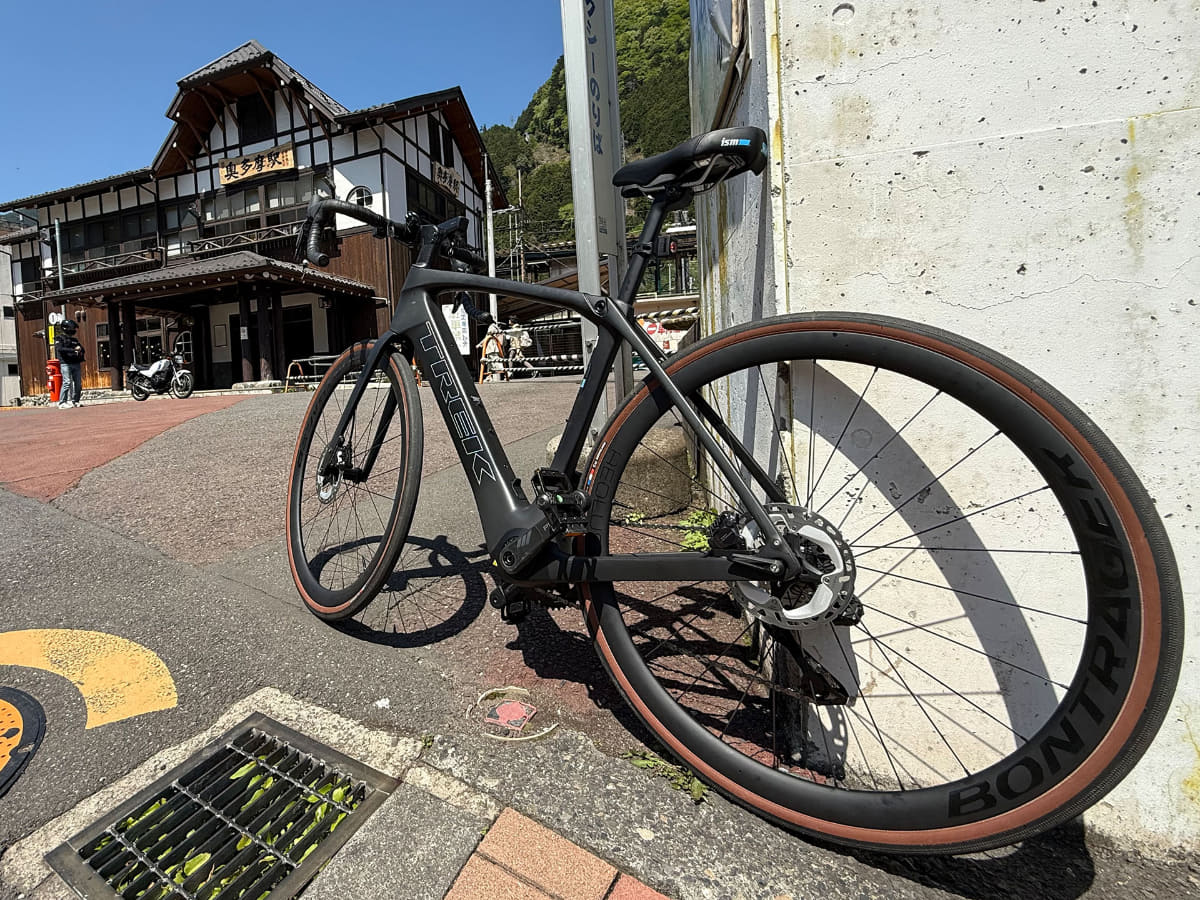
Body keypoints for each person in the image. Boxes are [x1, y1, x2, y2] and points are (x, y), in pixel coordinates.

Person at [55, 319, 85, 408]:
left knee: (78, 384)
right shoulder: (59, 338)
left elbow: (82, 349)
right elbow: (60, 349)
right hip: (65, 363)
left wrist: (80, 350)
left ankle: (75, 401)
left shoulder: (75, 340)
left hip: (76, 363)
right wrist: (74, 350)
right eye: (73, 328)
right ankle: (62, 402)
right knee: (67, 382)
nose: (74, 330)